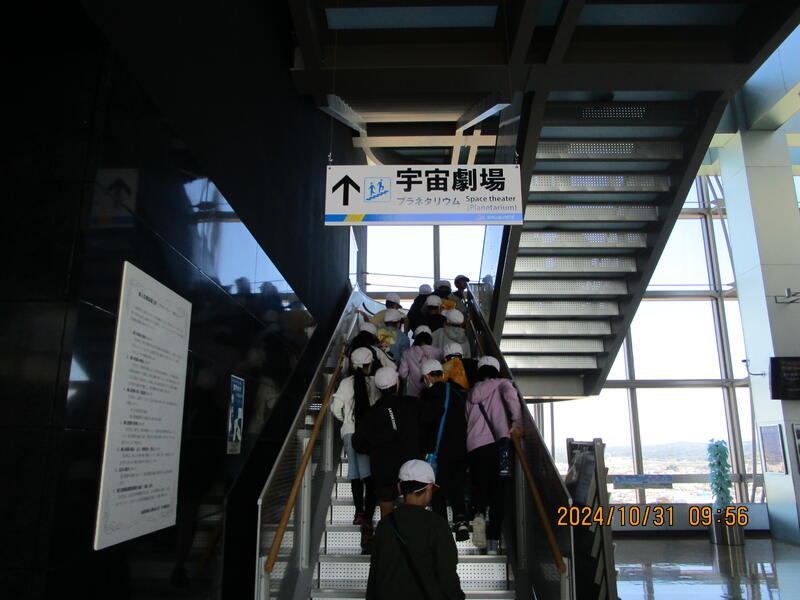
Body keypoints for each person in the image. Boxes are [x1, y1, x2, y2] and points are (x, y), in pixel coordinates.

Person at [366, 459, 464, 600]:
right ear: (429, 488)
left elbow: (374, 575)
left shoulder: (385, 525)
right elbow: (447, 576)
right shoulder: (438, 525)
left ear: (399, 488)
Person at [465, 356, 523, 554]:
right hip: (501, 445)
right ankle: (492, 541)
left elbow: (467, 418)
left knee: (479, 486)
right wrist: (517, 423)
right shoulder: (504, 384)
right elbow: (512, 400)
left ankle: (479, 516)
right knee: (499, 491)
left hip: (475, 447)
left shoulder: (472, 392)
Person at [352, 367, 423, 518]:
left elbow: (357, 443)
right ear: (397, 383)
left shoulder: (371, 413)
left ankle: (388, 533)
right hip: (411, 468)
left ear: (378, 388)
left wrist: (373, 449)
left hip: (383, 470)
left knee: (386, 514)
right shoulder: (412, 404)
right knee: (414, 513)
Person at [418, 359, 469, 541]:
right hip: (461, 449)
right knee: (457, 486)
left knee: (438, 489)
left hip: (439, 451)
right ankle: (461, 521)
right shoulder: (458, 392)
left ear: (427, 377)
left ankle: (441, 530)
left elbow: (426, 424)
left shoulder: (429, 395)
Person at [331, 347, 381, 533]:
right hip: (368, 433)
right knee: (369, 475)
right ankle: (368, 517)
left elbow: (335, 408)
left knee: (355, 474)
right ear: (370, 364)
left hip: (349, 433)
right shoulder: (375, 383)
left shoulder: (345, 383)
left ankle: (358, 512)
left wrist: (346, 420)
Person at [399, 325, 444, 397]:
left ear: (416, 338)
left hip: (413, 394)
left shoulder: (407, 353)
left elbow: (402, 374)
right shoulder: (439, 352)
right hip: (433, 393)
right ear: (430, 337)